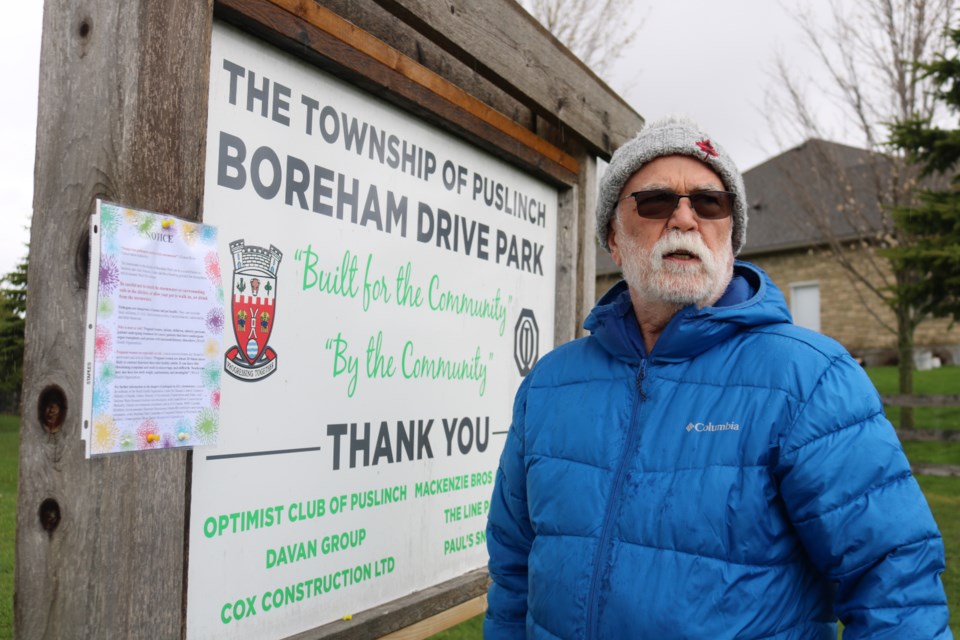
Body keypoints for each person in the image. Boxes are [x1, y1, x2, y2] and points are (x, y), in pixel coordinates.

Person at [484, 116, 951, 639]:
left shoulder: (809, 379)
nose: (684, 218)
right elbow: (512, 576)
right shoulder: (550, 385)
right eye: (655, 202)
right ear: (613, 239)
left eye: (709, 203)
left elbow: (895, 591)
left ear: (731, 239)